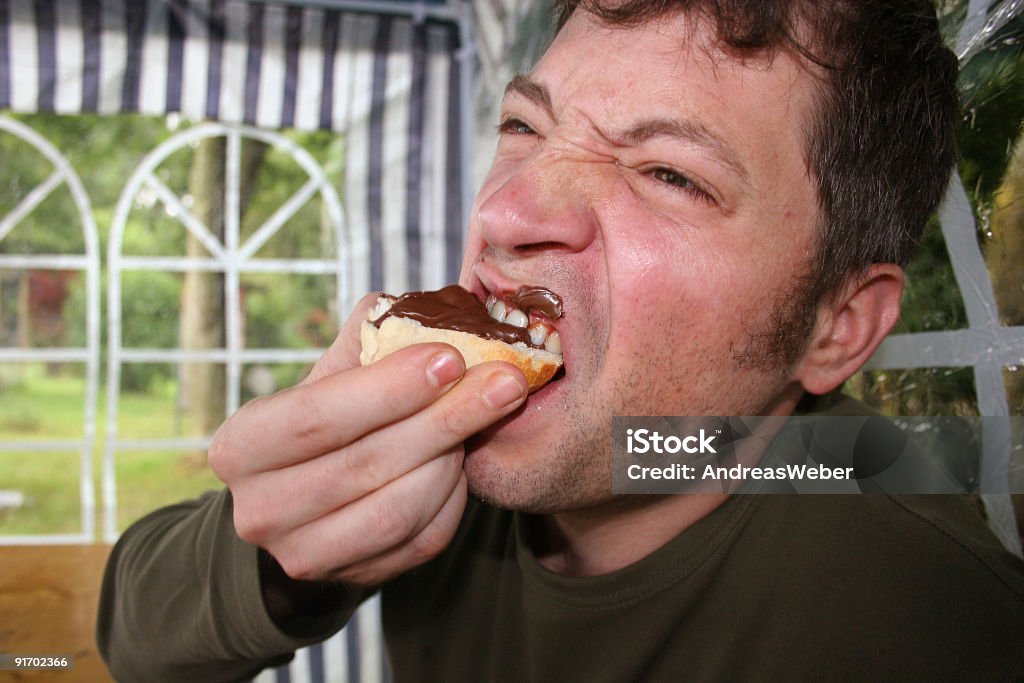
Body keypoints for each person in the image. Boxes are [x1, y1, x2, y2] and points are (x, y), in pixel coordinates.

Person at [97, 1, 1024, 680]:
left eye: (669, 173)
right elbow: (129, 631)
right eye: (521, 126)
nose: (505, 211)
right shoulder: (436, 455)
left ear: (838, 327)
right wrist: (291, 563)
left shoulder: (942, 621)